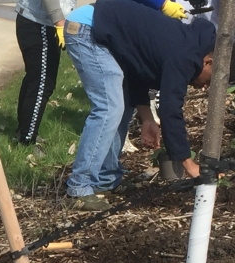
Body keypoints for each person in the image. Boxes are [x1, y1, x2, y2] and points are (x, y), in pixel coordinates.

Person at [60, 0, 214, 211]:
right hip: (89, 28)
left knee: (121, 107)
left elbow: (136, 69)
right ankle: (79, 188)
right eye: (208, 81)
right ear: (209, 62)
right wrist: (189, 164)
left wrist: (147, 119)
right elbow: (170, 110)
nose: (204, 87)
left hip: (103, 30)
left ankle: (106, 179)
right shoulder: (186, 55)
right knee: (109, 107)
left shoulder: (186, 45)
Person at [14, 0, 76, 147]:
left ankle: (24, 131)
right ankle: (27, 140)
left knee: (34, 79)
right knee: (42, 84)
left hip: (38, 21)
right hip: (39, 24)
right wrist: (60, 23)